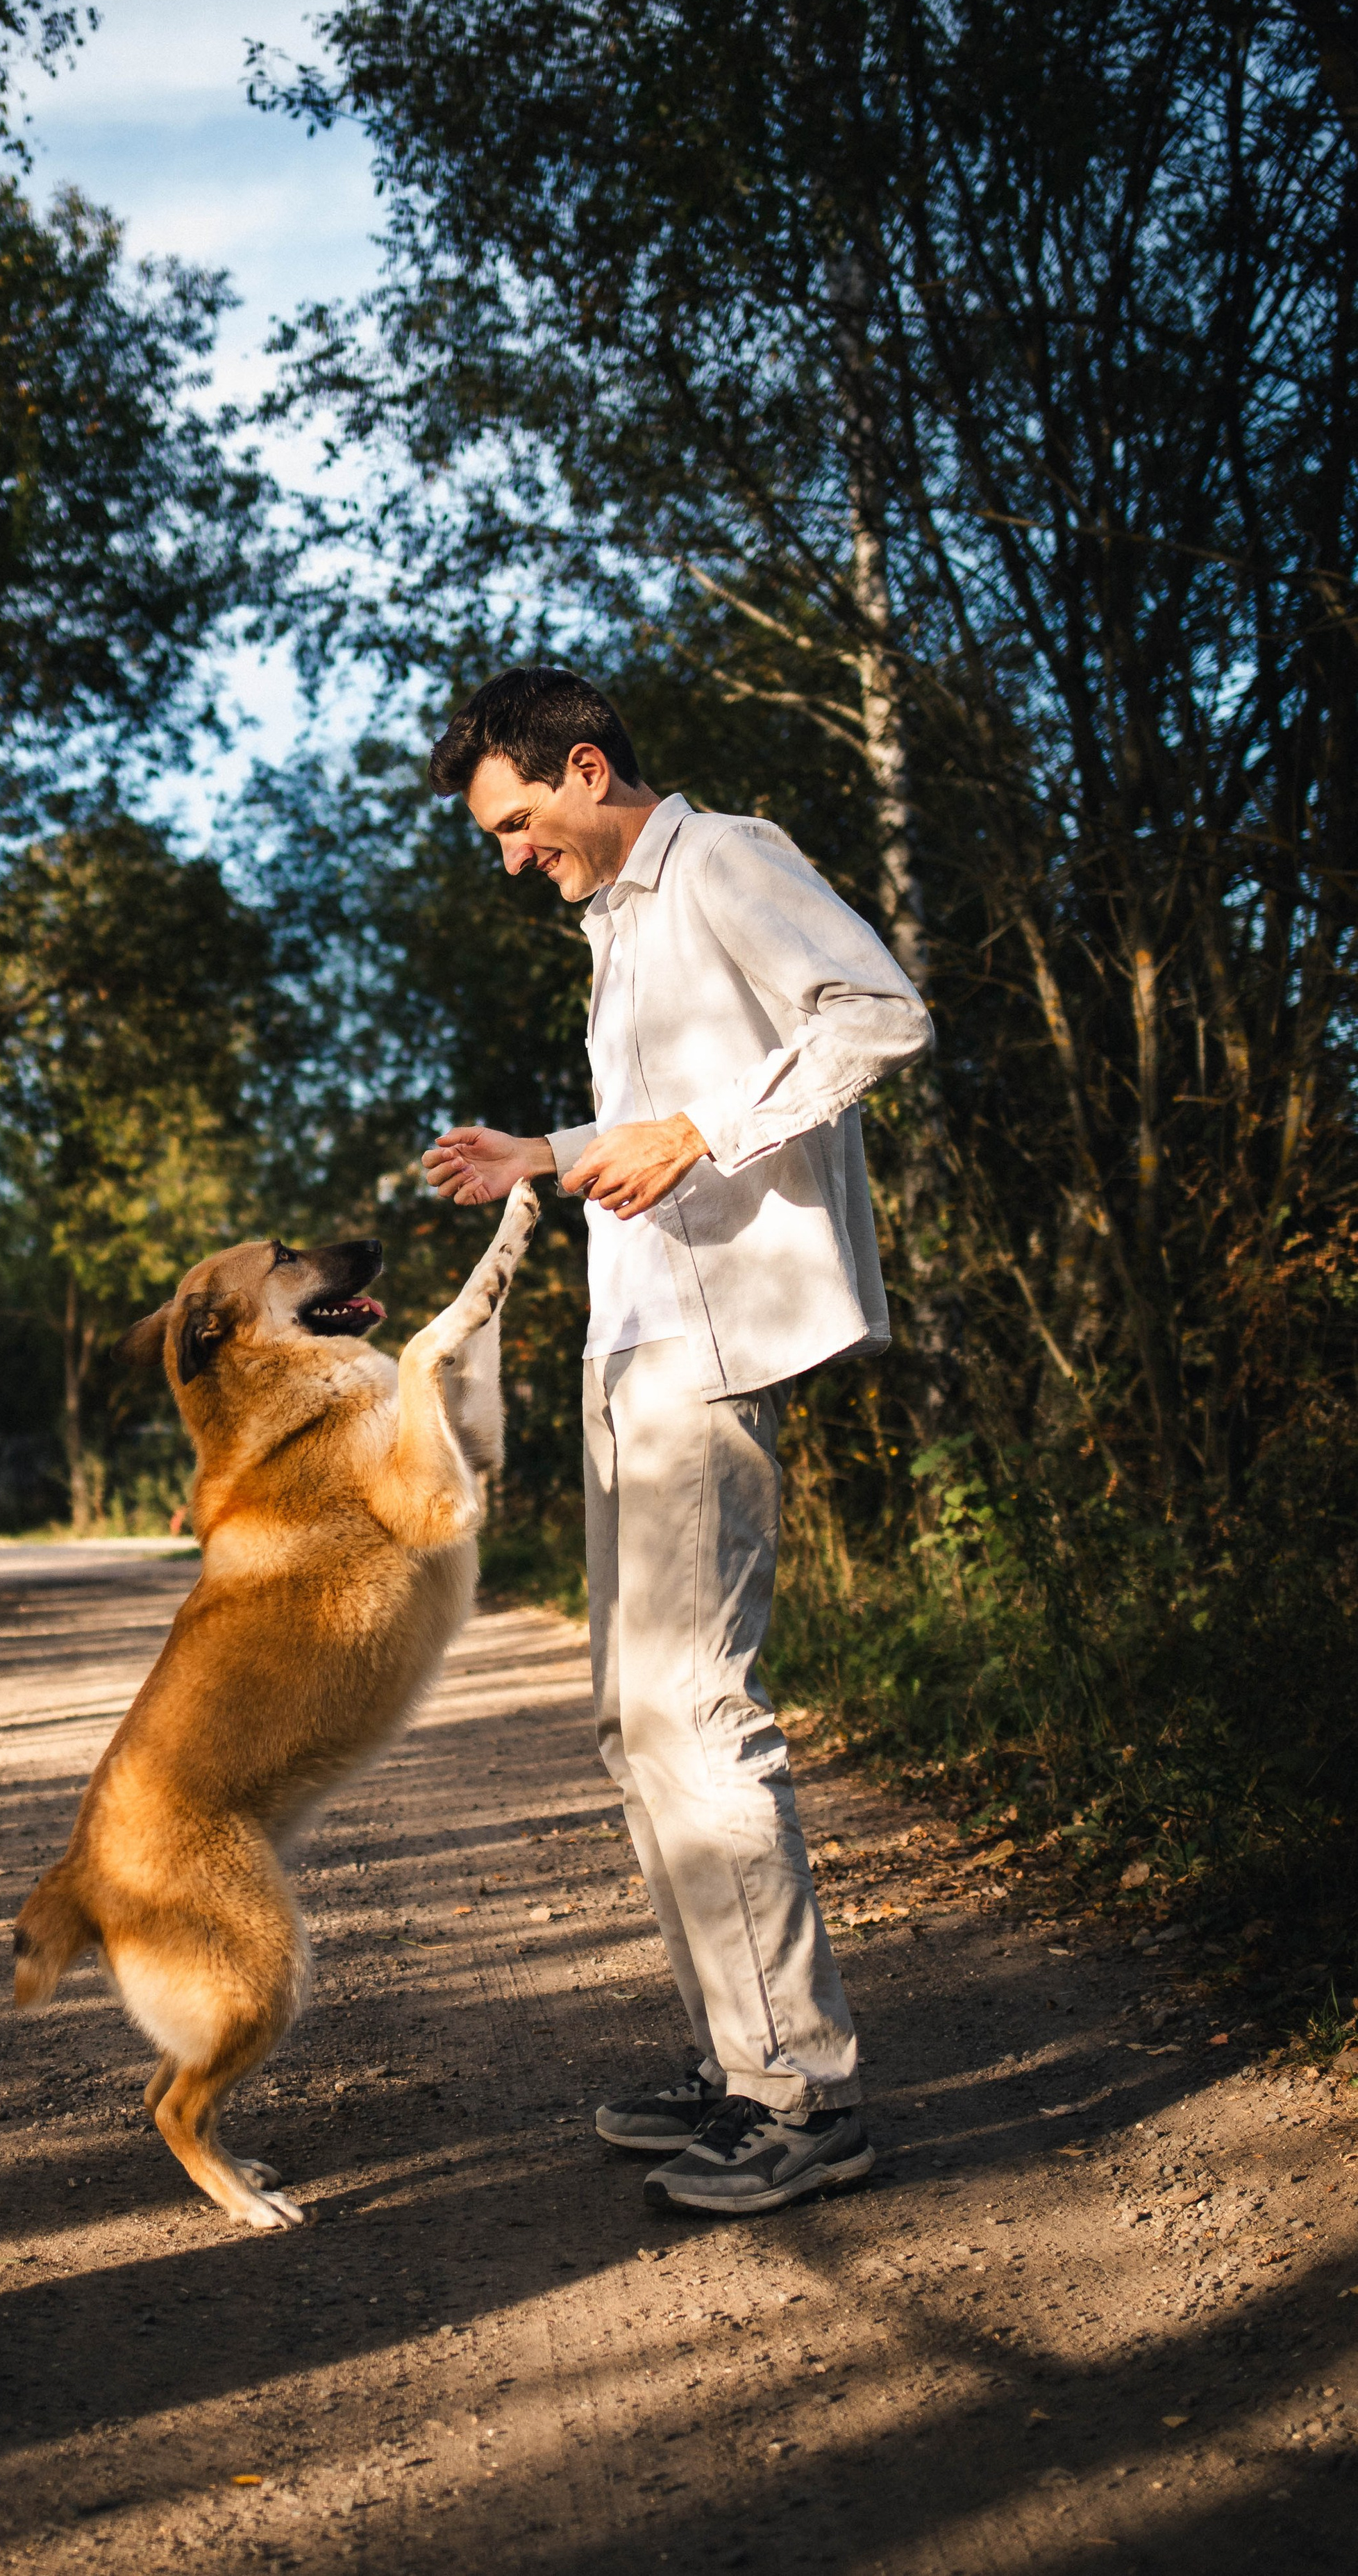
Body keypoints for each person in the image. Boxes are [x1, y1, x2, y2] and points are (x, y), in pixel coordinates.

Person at [421, 667, 934, 2216]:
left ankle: (799, 2094)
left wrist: (694, 1132)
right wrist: (552, 1151)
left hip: (710, 1349)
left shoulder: (719, 858)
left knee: (698, 1712)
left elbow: (876, 1011)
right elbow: (650, 1128)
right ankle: (737, 2057)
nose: (510, 855)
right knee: (631, 1725)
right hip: (630, 1342)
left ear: (585, 769)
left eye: (517, 822)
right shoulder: (621, 924)